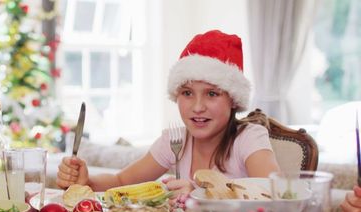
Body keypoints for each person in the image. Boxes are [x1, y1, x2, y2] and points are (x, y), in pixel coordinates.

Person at [56, 30, 280, 197]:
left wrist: (203, 193)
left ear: (233, 99)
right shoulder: (175, 141)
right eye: (187, 92)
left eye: (212, 93)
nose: (198, 106)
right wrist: (88, 181)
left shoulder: (249, 137)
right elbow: (121, 180)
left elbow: (274, 194)